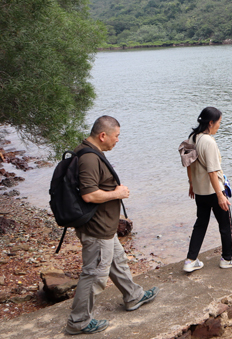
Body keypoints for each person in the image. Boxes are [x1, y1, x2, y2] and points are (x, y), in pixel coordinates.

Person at [66, 116, 158, 335]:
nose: (118, 140)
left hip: (105, 227)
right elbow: (89, 195)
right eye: (116, 136)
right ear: (103, 135)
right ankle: (78, 322)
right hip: (97, 230)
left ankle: (133, 296)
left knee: (118, 261)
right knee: (95, 275)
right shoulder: (88, 158)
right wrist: (117, 193)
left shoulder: (89, 151)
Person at [184, 107, 232, 273]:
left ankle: (190, 259)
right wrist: (220, 195)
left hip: (199, 191)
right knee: (225, 224)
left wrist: (191, 184)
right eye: (219, 122)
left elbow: (188, 164)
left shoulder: (191, 138)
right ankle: (227, 257)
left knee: (201, 223)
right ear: (210, 122)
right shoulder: (209, 142)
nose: (219, 125)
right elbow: (212, 171)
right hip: (213, 190)